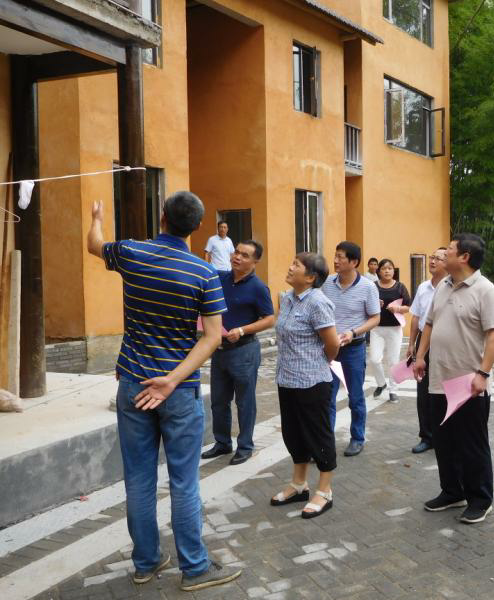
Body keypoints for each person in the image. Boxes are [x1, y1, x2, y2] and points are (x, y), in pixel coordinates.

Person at [87, 191, 241, 591]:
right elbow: (212, 337)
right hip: (178, 391)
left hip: (133, 385)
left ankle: (146, 562)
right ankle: (195, 568)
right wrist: (171, 380)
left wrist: (97, 217)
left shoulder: (131, 253)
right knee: (184, 482)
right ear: (198, 227)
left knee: (138, 480)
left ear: (162, 217)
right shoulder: (203, 273)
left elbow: (94, 244)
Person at [413, 234, 494, 524]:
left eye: (450, 250)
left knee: (472, 444)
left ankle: (480, 499)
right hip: (439, 379)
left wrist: (483, 373)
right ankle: (452, 492)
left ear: (464, 257)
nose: (443, 254)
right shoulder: (443, 286)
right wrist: (419, 356)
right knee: (444, 442)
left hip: (468, 384)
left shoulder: (486, 291)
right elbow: (429, 324)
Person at [271, 253, 341, 518]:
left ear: (311, 277)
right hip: (286, 379)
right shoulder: (288, 298)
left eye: (296, 265)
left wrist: (319, 363)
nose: (290, 268)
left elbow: (332, 344)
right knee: (293, 433)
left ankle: (325, 491)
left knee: (318, 435)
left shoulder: (318, 302)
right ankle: (299, 484)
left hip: (312, 381)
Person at [202, 241, 275, 466]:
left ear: (255, 261)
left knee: (244, 402)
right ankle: (222, 443)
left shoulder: (258, 287)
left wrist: (242, 330)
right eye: (236, 252)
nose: (237, 257)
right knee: (218, 401)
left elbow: (269, 319)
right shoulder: (220, 279)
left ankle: (245, 446)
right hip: (219, 350)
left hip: (244, 351)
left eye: (244, 255)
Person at [321, 241, 380, 456]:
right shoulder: (326, 283)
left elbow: (375, 318)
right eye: (335, 256)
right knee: (327, 397)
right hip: (330, 349)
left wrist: (353, 333)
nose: (335, 260)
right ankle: (326, 442)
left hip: (353, 349)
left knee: (355, 396)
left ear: (354, 262)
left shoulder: (368, 287)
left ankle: (357, 438)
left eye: (340, 257)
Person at [406, 246, 448, 453]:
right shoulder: (423, 287)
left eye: (438, 258)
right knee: (423, 391)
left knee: (443, 390)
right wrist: (412, 344)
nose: (432, 261)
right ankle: (426, 436)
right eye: (431, 257)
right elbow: (416, 317)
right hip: (424, 341)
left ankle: (444, 436)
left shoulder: (451, 287)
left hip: (444, 342)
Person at [370, 258, 411, 403]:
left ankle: (393, 390)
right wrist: (375, 304)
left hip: (394, 328)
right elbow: (365, 305)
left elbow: (408, 306)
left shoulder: (400, 287)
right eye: (384, 268)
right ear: (379, 271)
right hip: (376, 328)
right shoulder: (373, 286)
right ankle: (381, 383)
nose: (387, 271)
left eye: (390, 268)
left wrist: (398, 308)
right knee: (374, 359)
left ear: (394, 271)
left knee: (393, 361)